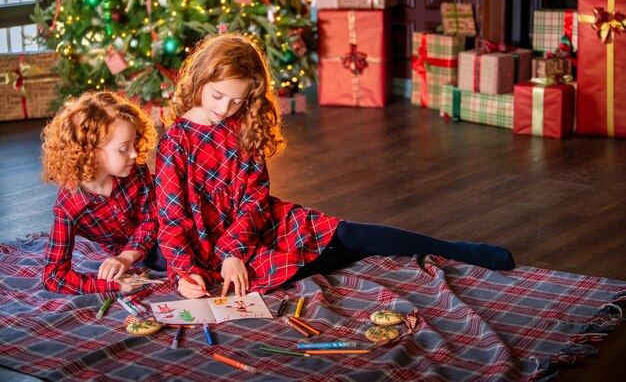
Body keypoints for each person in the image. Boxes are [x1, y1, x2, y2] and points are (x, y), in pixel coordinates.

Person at [156, 33, 515, 300]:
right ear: (201, 80)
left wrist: (234, 249)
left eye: (237, 101)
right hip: (205, 244)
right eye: (218, 96)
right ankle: (342, 255)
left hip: (256, 223)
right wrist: (184, 272)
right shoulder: (176, 139)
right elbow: (172, 219)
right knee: (309, 261)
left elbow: (254, 198)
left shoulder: (242, 126)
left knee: (346, 232)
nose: (225, 108)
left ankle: (457, 249)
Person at [41, 91, 165, 294]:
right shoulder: (69, 206)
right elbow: (54, 276)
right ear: (90, 152)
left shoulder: (136, 170)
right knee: (164, 259)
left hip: (165, 228)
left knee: (174, 254)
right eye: (124, 148)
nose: (135, 153)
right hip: (138, 251)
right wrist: (114, 284)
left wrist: (127, 256)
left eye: (134, 143)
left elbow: (153, 217)